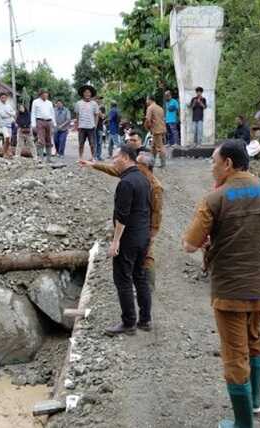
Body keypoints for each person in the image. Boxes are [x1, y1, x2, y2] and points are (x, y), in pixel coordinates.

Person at [182, 140, 260, 428]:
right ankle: (255, 402)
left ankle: (243, 424)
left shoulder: (215, 199)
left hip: (230, 291)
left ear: (228, 164)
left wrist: (206, 240)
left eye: (213, 161)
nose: (211, 167)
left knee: (235, 355)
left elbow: (188, 244)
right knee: (254, 338)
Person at [79, 131, 163, 290]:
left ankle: (148, 287)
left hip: (144, 225)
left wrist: (153, 231)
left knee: (148, 256)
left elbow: (157, 212)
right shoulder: (136, 175)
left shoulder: (156, 186)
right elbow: (113, 170)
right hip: (134, 225)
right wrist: (93, 165)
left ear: (146, 166)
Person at [105, 144, 152, 336]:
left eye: (115, 157)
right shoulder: (142, 178)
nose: (112, 161)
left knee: (123, 279)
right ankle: (145, 319)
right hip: (143, 236)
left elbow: (122, 216)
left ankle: (128, 322)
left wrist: (115, 241)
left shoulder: (126, 183)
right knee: (140, 277)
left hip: (128, 238)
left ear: (125, 157)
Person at [76, 85, 100, 161]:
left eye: (89, 93)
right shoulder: (78, 103)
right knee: (81, 144)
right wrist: (78, 125)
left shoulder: (94, 104)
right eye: (86, 92)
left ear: (91, 94)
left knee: (92, 144)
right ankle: (80, 157)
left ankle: (93, 157)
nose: (87, 94)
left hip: (91, 127)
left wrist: (95, 125)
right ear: (83, 94)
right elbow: (77, 115)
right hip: (81, 127)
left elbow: (96, 115)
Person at [31, 89, 56, 162]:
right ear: (41, 94)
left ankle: (49, 158)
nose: (46, 95)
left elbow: (52, 113)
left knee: (49, 139)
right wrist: (33, 124)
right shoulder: (35, 102)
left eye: (47, 94)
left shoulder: (50, 103)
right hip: (40, 121)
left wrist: (54, 123)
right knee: (41, 140)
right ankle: (41, 158)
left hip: (49, 121)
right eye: (44, 94)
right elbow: (33, 113)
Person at [144, 94, 167, 168]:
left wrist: (147, 127)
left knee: (160, 147)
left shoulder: (150, 108)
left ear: (150, 99)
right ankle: (151, 163)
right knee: (153, 147)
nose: (146, 101)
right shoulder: (160, 108)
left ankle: (163, 163)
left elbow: (148, 119)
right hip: (161, 129)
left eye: (147, 99)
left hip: (156, 130)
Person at [0, 93, 15, 158]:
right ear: (0, 98)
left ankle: (7, 152)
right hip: (3, 125)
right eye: (2, 97)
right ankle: (4, 152)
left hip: (9, 124)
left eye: (5, 97)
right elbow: (2, 115)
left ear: (6, 98)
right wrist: (10, 114)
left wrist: (8, 112)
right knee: (6, 137)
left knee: (9, 140)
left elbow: (14, 113)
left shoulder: (8, 105)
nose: (4, 98)